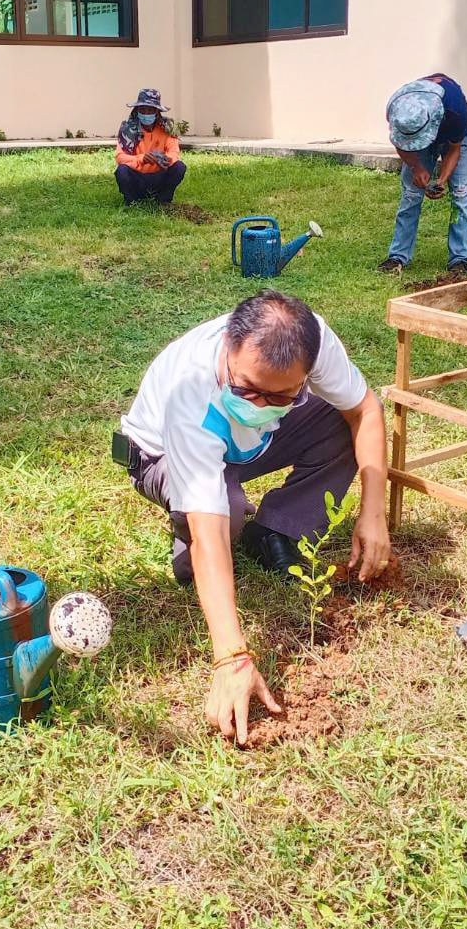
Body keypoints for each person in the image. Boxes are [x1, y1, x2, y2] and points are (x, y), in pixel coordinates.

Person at [115, 291, 393, 746]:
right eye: (246, 390)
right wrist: (232, 659)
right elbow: (209, 535)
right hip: (159, 456)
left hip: (247, 445)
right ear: (228, 345)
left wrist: (373, 513)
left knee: (340, 424)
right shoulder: (191, 390)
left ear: (307, 370)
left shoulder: (311, 340)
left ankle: (276, 531)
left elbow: (365, 410)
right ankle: (198, 528)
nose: (261, 405)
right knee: (220, 522)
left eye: (281, 396)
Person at [379, 74, 467, 277]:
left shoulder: (455, 112)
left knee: (461, 195)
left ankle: (459, 260)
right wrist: (417, 168)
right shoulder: (397, 110)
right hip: (420, 132)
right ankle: (397, 257)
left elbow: (454, 149)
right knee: (411, 196)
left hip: (454, 137)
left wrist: (442, 180)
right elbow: (400, 143)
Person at [115, 88, 186, 206]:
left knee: (179, 167)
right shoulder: (128, 130)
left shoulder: (167, 129)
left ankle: (164, 199)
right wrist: (141, 158)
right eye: (142, 110)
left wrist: (163, 159)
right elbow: (120, 157)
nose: (146, 114)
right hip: (137, 177)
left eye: (150, 110)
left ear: (157, 112)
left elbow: (174, 153)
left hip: (159, 176)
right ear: (137, 110)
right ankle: (132, 201)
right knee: (122, 171)